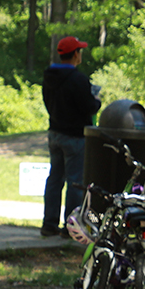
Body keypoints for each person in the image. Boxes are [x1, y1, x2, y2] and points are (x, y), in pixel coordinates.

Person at [42, 35, 102, 237]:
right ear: (76, 54)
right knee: (75, 183)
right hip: (75, 137)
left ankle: (48, 224)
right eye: (80, 51)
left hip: (54, 133)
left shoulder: (49, 76)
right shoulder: (78, 79)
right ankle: (70, 228)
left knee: (54, 179)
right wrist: (97, 100)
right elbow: (89, 107)